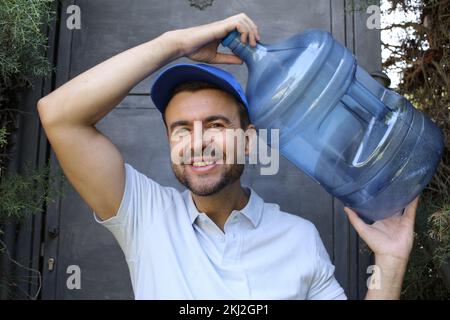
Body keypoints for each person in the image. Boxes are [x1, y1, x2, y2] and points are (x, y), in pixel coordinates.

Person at [37, 13, 418, 300]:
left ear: (248, 140)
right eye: (181, 129)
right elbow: (59, 115)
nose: (198, 141)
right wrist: (174, 43)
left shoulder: (299, 238)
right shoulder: (145, 216)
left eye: (216, 124)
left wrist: (390, 261)